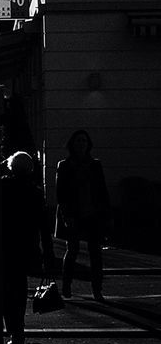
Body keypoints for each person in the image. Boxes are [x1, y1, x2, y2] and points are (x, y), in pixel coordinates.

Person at [1, 150, 55, 344]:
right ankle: (19, 328)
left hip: (5, 244)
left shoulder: (3, 187)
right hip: (26, 246)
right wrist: (48, 252)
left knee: (5, 289)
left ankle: (12, 327)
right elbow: (43, 226)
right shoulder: (34, 192)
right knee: (19, 288)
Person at [55, 129, 110, 301]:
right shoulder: (64, 165)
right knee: (72, 251)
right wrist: (66, 215)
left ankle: (97, 289)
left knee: (95, 253)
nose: (81, 144)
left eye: (84, 141)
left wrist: (106, 215)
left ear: (88, 144)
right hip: (74, 214)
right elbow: (61, 193)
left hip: (92, 213)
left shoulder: (95, 165)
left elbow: (102, 192)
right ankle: (66, 287)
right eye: (78, 141)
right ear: (72, 144)